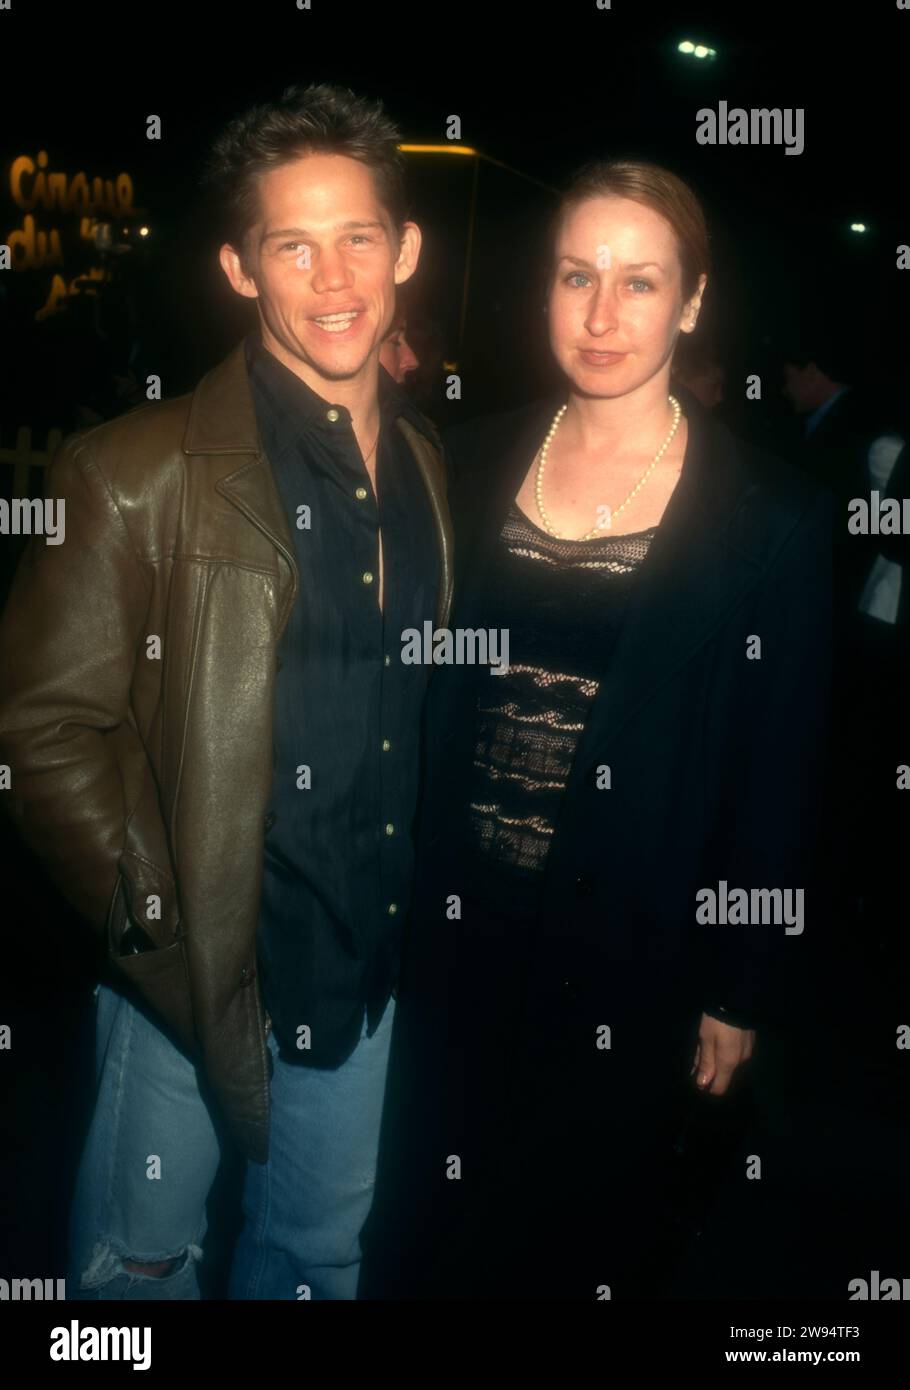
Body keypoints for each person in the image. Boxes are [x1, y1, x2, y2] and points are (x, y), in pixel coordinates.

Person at [0, 82, 452, 1301]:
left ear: (404, 247)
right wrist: (160, 927)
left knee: (314, 1264)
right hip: (189, 973)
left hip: (361, 971)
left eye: (358, 235)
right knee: (134, 1272)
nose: (333, 276)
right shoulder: (132, 472)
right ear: (239, 268)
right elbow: (43, 734)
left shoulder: (424, 467)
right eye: (290, 245)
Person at [359, 157, 834, 1300]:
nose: (603, 314)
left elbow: (780, 771)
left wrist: (742, 988)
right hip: (448, 938)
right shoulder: (459, 463)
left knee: (577, 1245)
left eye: (638, 281)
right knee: (420, 1231)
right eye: (578, 276)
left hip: (631, 951)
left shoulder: (773, 516)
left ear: (694, 300)